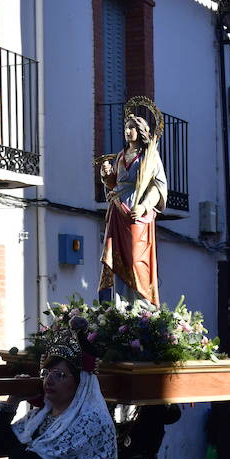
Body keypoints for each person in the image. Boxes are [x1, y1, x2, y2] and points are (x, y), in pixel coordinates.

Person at [99, 100, 167, 305]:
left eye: (132, 128)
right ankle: (121, 305)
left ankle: (142, 305)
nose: (128, 132)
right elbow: (115, 185)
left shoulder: (149, 156)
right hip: (118, 209)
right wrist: (106, 177)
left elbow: (159, 186)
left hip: (137, 212)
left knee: (137, 258)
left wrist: (145, 205)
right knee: (119, 257)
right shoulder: (120, 155)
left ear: (141, 131)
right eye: (126, 128)